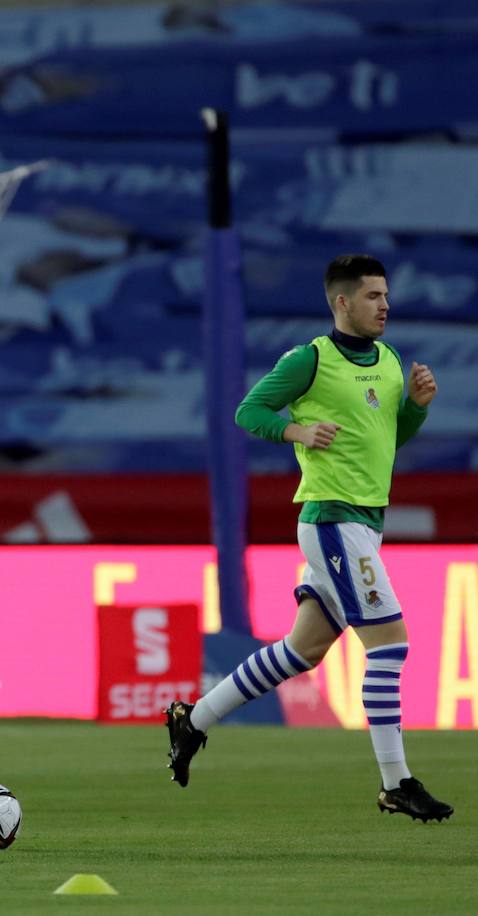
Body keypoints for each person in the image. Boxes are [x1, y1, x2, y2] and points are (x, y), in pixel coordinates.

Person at [166, 254, 452, 823]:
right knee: (390, 647)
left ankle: (193, 720)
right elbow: (249, 411)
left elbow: (390, 437)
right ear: (342, 302)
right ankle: (396, 782)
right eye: (373, 296)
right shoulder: (310, 360)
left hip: (364, 525)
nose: (385, 305)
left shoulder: (391, 361)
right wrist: (297, 429)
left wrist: (416, 408)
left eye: (387, 295)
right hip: (332, 520)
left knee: (303, 651)